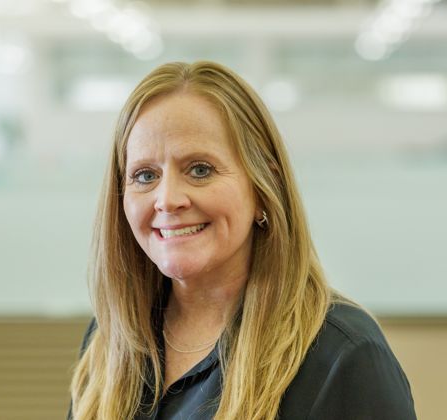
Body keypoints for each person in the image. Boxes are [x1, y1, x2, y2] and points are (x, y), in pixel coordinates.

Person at [68, 61, 416, 420]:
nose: (168, 199)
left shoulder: (341, 355)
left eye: (200, 170)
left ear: (264, 188)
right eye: (145, 175)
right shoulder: (112, 339)